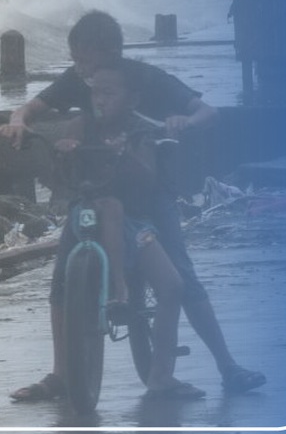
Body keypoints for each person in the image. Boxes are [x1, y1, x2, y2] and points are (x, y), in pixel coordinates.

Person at [1, 10, 266, 401]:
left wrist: (182, 122)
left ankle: (227, 366)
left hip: (148, 192)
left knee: (181, 274)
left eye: (86, 61)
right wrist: (19, 122)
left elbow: (207, 112)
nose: (83, 74)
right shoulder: (79, 81)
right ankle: (61, 374)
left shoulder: (146, 81)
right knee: (61, 280)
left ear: (111, 53)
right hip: (96, 188)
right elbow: (29, 110)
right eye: (77, 63)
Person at [53, 58, 195, 398]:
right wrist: (64, 151)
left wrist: (124, 154)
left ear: (131, 99)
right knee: (107, 208)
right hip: (87, 215)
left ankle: (161, 375)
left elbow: (147, 180)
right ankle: (119, 290)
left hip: (134, 223)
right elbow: (61, 174)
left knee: (172, 286)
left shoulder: (140, 130)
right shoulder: (80, 124)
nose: (100, 100)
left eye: (109, 93)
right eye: (95, 93)